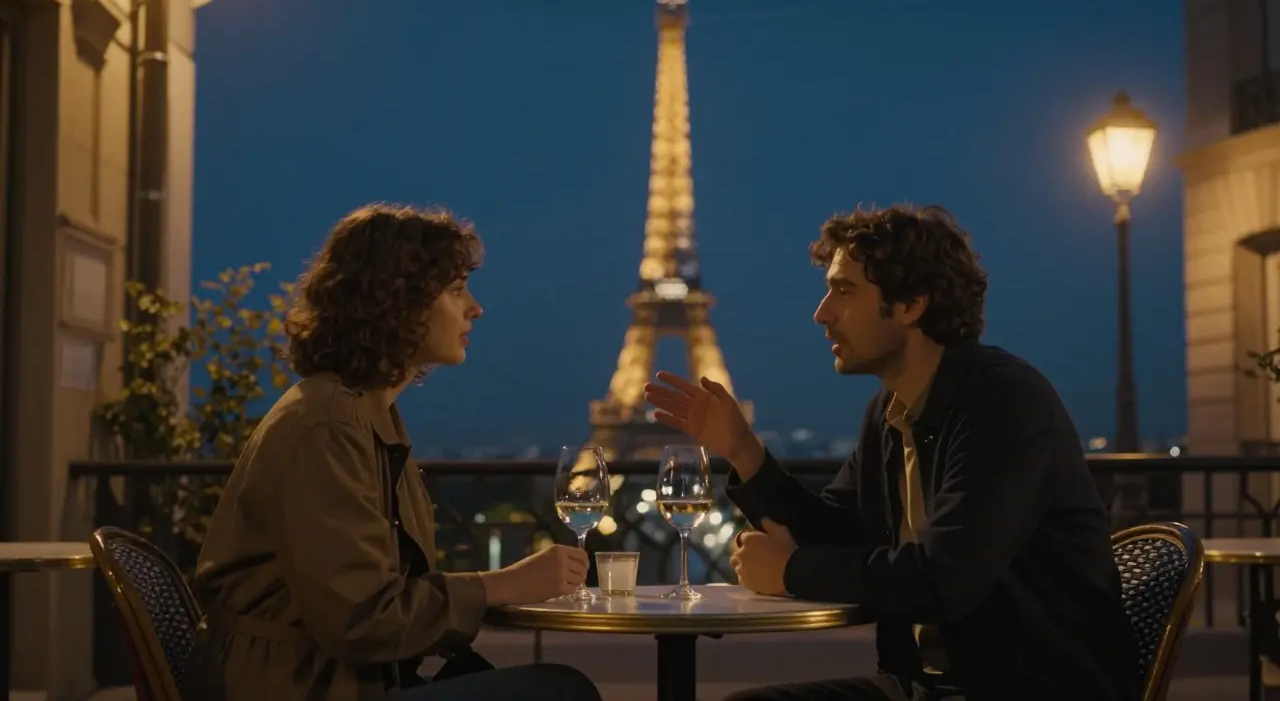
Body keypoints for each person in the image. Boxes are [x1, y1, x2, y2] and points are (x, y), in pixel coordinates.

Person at [644, 205, 1138, 701]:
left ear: (911, 305)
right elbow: (836, 529)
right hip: (933, 687)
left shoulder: (1004, 405)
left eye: (844, 290)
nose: (822, 313)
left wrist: (792, 570)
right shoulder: (892, 412)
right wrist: (743, 450)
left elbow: (944, 580)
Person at [186, 204, 601, 701]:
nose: (475, 307)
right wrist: (502, 586)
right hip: (302, 687)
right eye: (455, 290)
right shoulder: (330, 424)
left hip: (316, 678)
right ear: (399, 303)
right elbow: (362, 619)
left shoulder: (355, 411)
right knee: (558, 692)